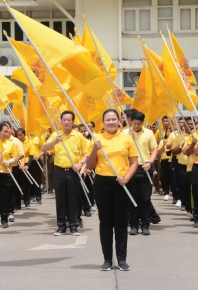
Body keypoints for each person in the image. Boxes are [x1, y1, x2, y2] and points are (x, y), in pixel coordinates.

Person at [86, 109, 138, 271]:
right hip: (102, 183)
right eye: (108, 120)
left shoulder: (127, 138)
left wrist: (126, 178)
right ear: (103, 122)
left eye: (114, 119)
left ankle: (122, 259)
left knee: (121, 222)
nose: (111, 122)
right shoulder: (96, 139)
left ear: (119, 120)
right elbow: (89, 166)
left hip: (122, 183)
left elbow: (134, 162)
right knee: (106, 222)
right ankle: (107, 260)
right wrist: (95, 149)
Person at [41, 110, 88, 236]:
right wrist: (55, 141)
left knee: (73, 199)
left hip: (73, 172)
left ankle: (73, 225)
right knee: (60, 199)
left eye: (69, 120)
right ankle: (61, 226)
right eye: (64, 120)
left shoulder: (78, 136)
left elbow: (86, 153)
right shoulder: (56, 135)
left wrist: (81, 164)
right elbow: (43, 148)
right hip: (59, 171)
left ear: (73, 122)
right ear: (61, 121)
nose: (66, 122)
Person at [123, 111, 158, 236]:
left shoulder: (148, 133)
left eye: (139, 124)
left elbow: (154, 149)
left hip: (145, 168)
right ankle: (133, 225)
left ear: (142, 123)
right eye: (134, 123)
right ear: (130, 121)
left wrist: (150, 162)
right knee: (132, 198)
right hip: (130, 168)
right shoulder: (125, 133)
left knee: (145, 198)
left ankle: (145, 224)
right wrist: (129, 139)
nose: (136, 126)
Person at [0, 122, 18, 229]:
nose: (7, 134)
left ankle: (4, 219)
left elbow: (16, 157)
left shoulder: (9, 143)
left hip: (6, 174)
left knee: (5, 198)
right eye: (4, 132)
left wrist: (10, 161)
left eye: (8, 132)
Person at [157, 128, 172, 200]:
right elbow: (159, 151)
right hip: (164, 159)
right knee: (164, 176)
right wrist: (163, 145)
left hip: (171, 160)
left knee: (171, 176)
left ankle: (172, 191)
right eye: (167, 131)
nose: (168, 133)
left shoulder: (173, 139)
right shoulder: (162, 141)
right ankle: (166, 192)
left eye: (170, 131)